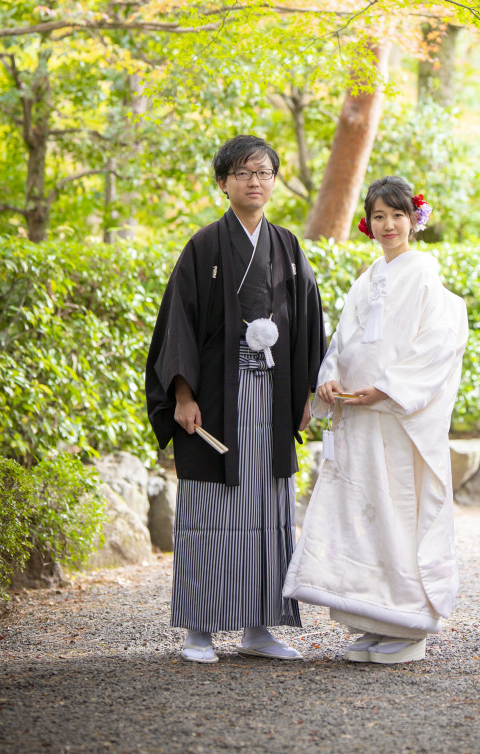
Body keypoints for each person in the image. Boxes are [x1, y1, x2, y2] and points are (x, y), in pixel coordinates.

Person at [145, 135, 326, 663]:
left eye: (264, 173)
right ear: (223, 183)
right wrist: (182, 394)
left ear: (273, 182)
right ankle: (199, 629)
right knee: (210, 510)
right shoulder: (203, 246)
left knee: (267, 508)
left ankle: (259, 627)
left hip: (271, 396)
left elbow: (308, 324)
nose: (255, 182)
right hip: (215, 400)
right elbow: (178, 324)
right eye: (243, 173)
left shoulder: (287, 246)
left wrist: (305, 395)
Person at [283, 175, 469, 665]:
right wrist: (329, 379)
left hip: (394, 418)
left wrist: (386, 389)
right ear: (368, 223)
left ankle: (408, 626)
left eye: (398, 215)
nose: (388, 225)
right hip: (358, 416)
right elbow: (343, 341)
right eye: (379, 216)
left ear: (414, 219)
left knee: (395, 513)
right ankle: (372, 619)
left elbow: (438, 343)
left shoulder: (424, 273)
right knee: (360, 515)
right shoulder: (366, 279)